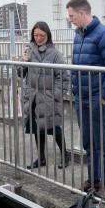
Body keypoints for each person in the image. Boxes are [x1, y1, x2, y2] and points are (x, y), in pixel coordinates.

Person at [68, 0, 105, 197]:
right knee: (88, 140)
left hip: (98, 96)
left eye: (71, 15)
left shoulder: (104, 34)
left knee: (103, 141)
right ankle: (93, 179)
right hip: (82, 96)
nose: (69, 19)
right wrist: (74, 89)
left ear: (82, 13)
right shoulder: (79, 35)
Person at [21, 21, 70, 169]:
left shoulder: (55, 53)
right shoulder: (28, 50)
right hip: (33, 96)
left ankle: (64, 155)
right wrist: (23, 63)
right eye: (36, 35)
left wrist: (55, 95)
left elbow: (64, 77)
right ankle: (41, 158)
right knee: (37, 128)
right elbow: (21, 74)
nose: (38, 38)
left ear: (47, 35)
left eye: (42, 35)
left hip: (48, 98)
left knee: (54, 128)